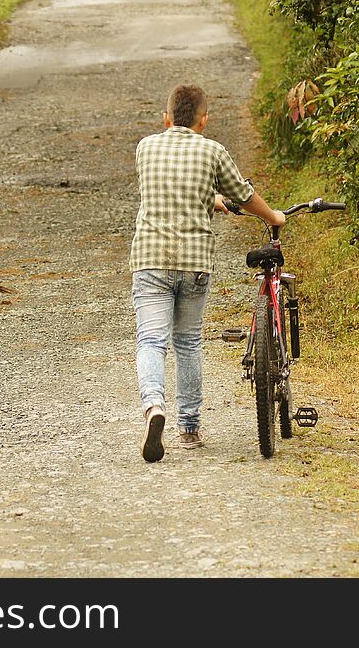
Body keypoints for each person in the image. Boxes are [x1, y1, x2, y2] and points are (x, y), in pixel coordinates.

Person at [130, 84, 285, 463]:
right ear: (204, 120)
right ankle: (189, 428)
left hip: (150, 259)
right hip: (194, 262)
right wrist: (273, 216)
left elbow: (168, 189)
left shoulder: (145, 147)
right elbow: (244, 195)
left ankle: (154, 407)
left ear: (166, 118)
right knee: (187, 342)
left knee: (151, 340)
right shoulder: (212, 151)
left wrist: (207, 198)